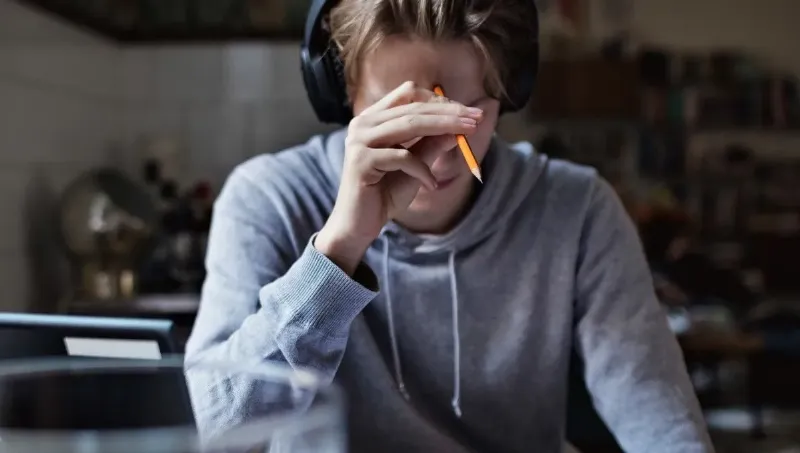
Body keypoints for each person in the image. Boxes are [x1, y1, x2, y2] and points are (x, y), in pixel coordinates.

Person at [184, 0, 715, 451]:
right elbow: (216, 429)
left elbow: (659, 418)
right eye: (400, 116)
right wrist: (339, 249)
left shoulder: (578, 211)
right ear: (343, 92)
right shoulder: (268, 198)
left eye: (464, 118)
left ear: (507, 94)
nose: (435, 156)